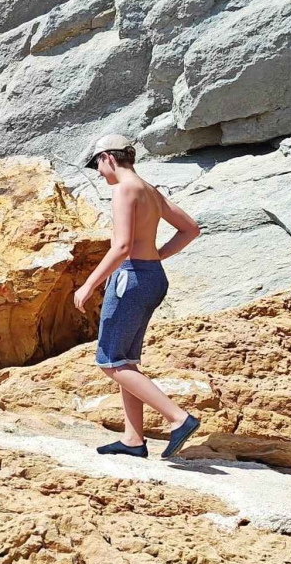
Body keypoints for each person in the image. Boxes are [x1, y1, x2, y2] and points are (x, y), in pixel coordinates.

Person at [75, 134, 203, 460]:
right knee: (126, 360)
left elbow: (121, 246)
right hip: (153, 277)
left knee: (109, 360)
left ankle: (178, 418)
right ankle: (133, 439)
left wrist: (89, 284)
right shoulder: (149, 190)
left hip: (130, 278)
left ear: (107, 158)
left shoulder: (124, 189)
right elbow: (190, 229)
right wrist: (157, 255)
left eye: (97, 164)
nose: (99, 172)